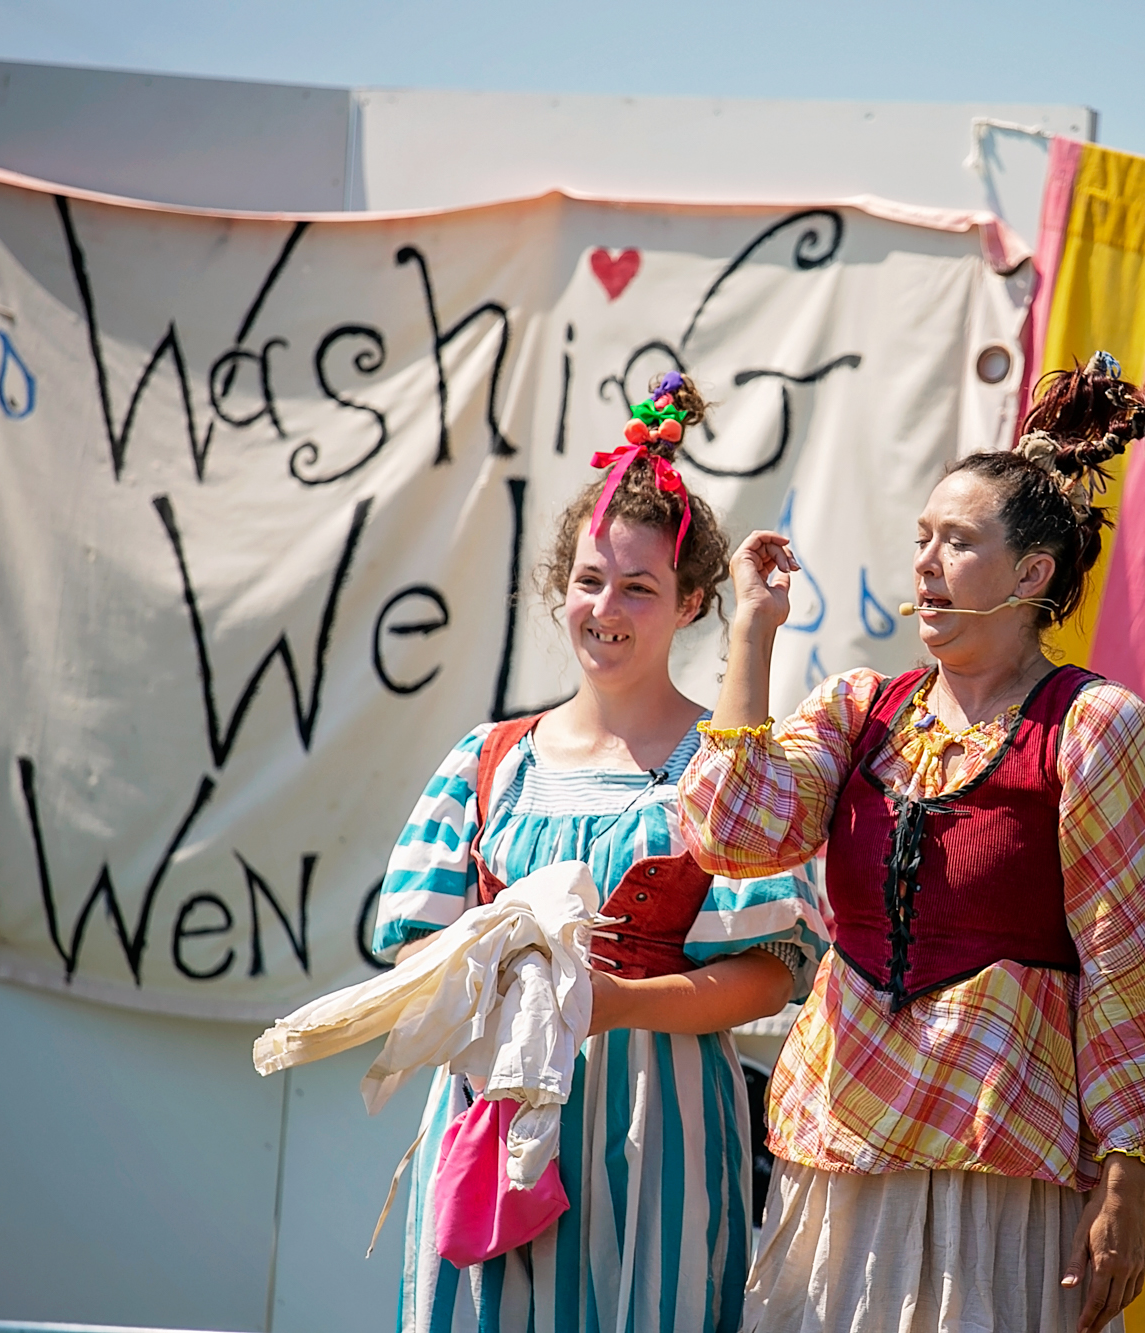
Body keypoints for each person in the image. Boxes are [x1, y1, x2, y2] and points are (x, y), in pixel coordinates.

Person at [679, 353, 1145, 1333]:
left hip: (998, 1170)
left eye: (956, 542)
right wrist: (751, 631)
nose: (924, 562)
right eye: (921, 537)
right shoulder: (858, 712)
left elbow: (1127, 961)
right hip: (840, 1157)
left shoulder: (1092, 727)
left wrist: (1127, 1178)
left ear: (1032, 574)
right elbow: (729, 835)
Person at [369, 372, 827, 1333]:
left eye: (638, 586)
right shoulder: (489, 760)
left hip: (658, 1130)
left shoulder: (722, 771)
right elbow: (414, 946)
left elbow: (769, 972)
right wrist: (504, 974)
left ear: (691, 601)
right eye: (588, 580)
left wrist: (613, 1003)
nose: (605, 606)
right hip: (493, 1115)